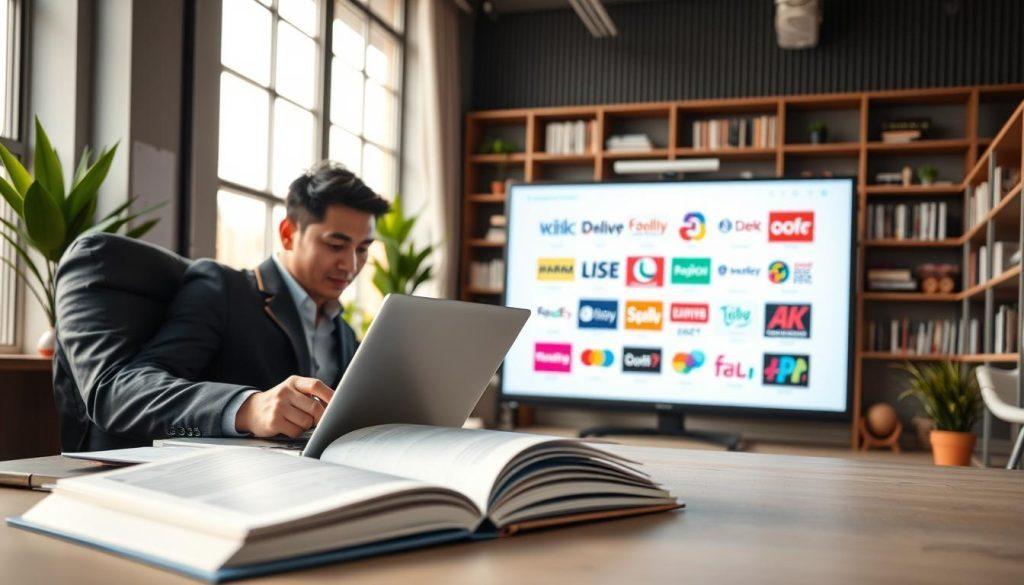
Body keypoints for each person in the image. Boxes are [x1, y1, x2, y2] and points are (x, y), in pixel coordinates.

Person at [105, 161, 391, 442]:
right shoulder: (222, 290)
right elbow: (126, 392)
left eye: (363, 249)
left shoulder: (343, 333)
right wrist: (245, 409)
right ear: (288, 234)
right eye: (336, 246)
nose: (351, 265)